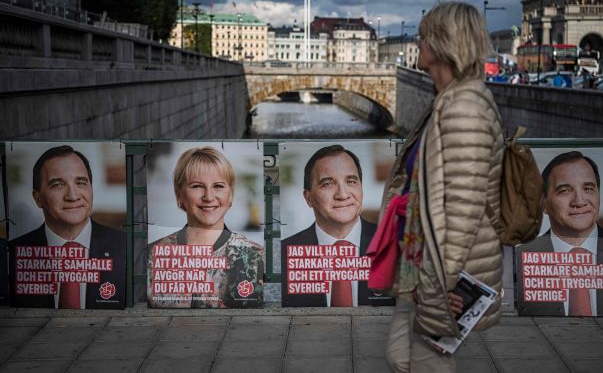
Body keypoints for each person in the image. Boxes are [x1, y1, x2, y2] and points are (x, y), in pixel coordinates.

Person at [381, 2, 505, 372]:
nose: (417, 43)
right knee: (400, 357)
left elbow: (463, 210)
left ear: (442, 44)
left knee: (425, 363)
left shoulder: (463, 108)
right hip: (421, 262)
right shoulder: (446, 100)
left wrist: (445, 286)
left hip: (441, 270)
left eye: (423, 37)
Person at [516, 151, 603, 316]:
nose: (579, 201)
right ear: (543, 204)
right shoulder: (520, 259)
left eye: (588, 188)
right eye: (564, 191)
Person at [9, 145, 126, 309]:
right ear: (38, 198)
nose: (72, 196)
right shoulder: (12, 255)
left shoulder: (126, 246)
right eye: (57, 184)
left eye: (81, 182)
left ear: (91, 189)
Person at [147, 146, 264, 308]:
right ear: (179, 195)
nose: (208, 197)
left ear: (230, 195)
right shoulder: (154, 253)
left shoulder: (252, 256)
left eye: (218, 186)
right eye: (196, 186)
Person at [281, 145, 394, 307]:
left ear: (361, 188)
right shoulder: (282, 255)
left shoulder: (393, 245)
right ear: (308, 198)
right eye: (328, 183)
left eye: (351, 181)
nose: (342, 194)